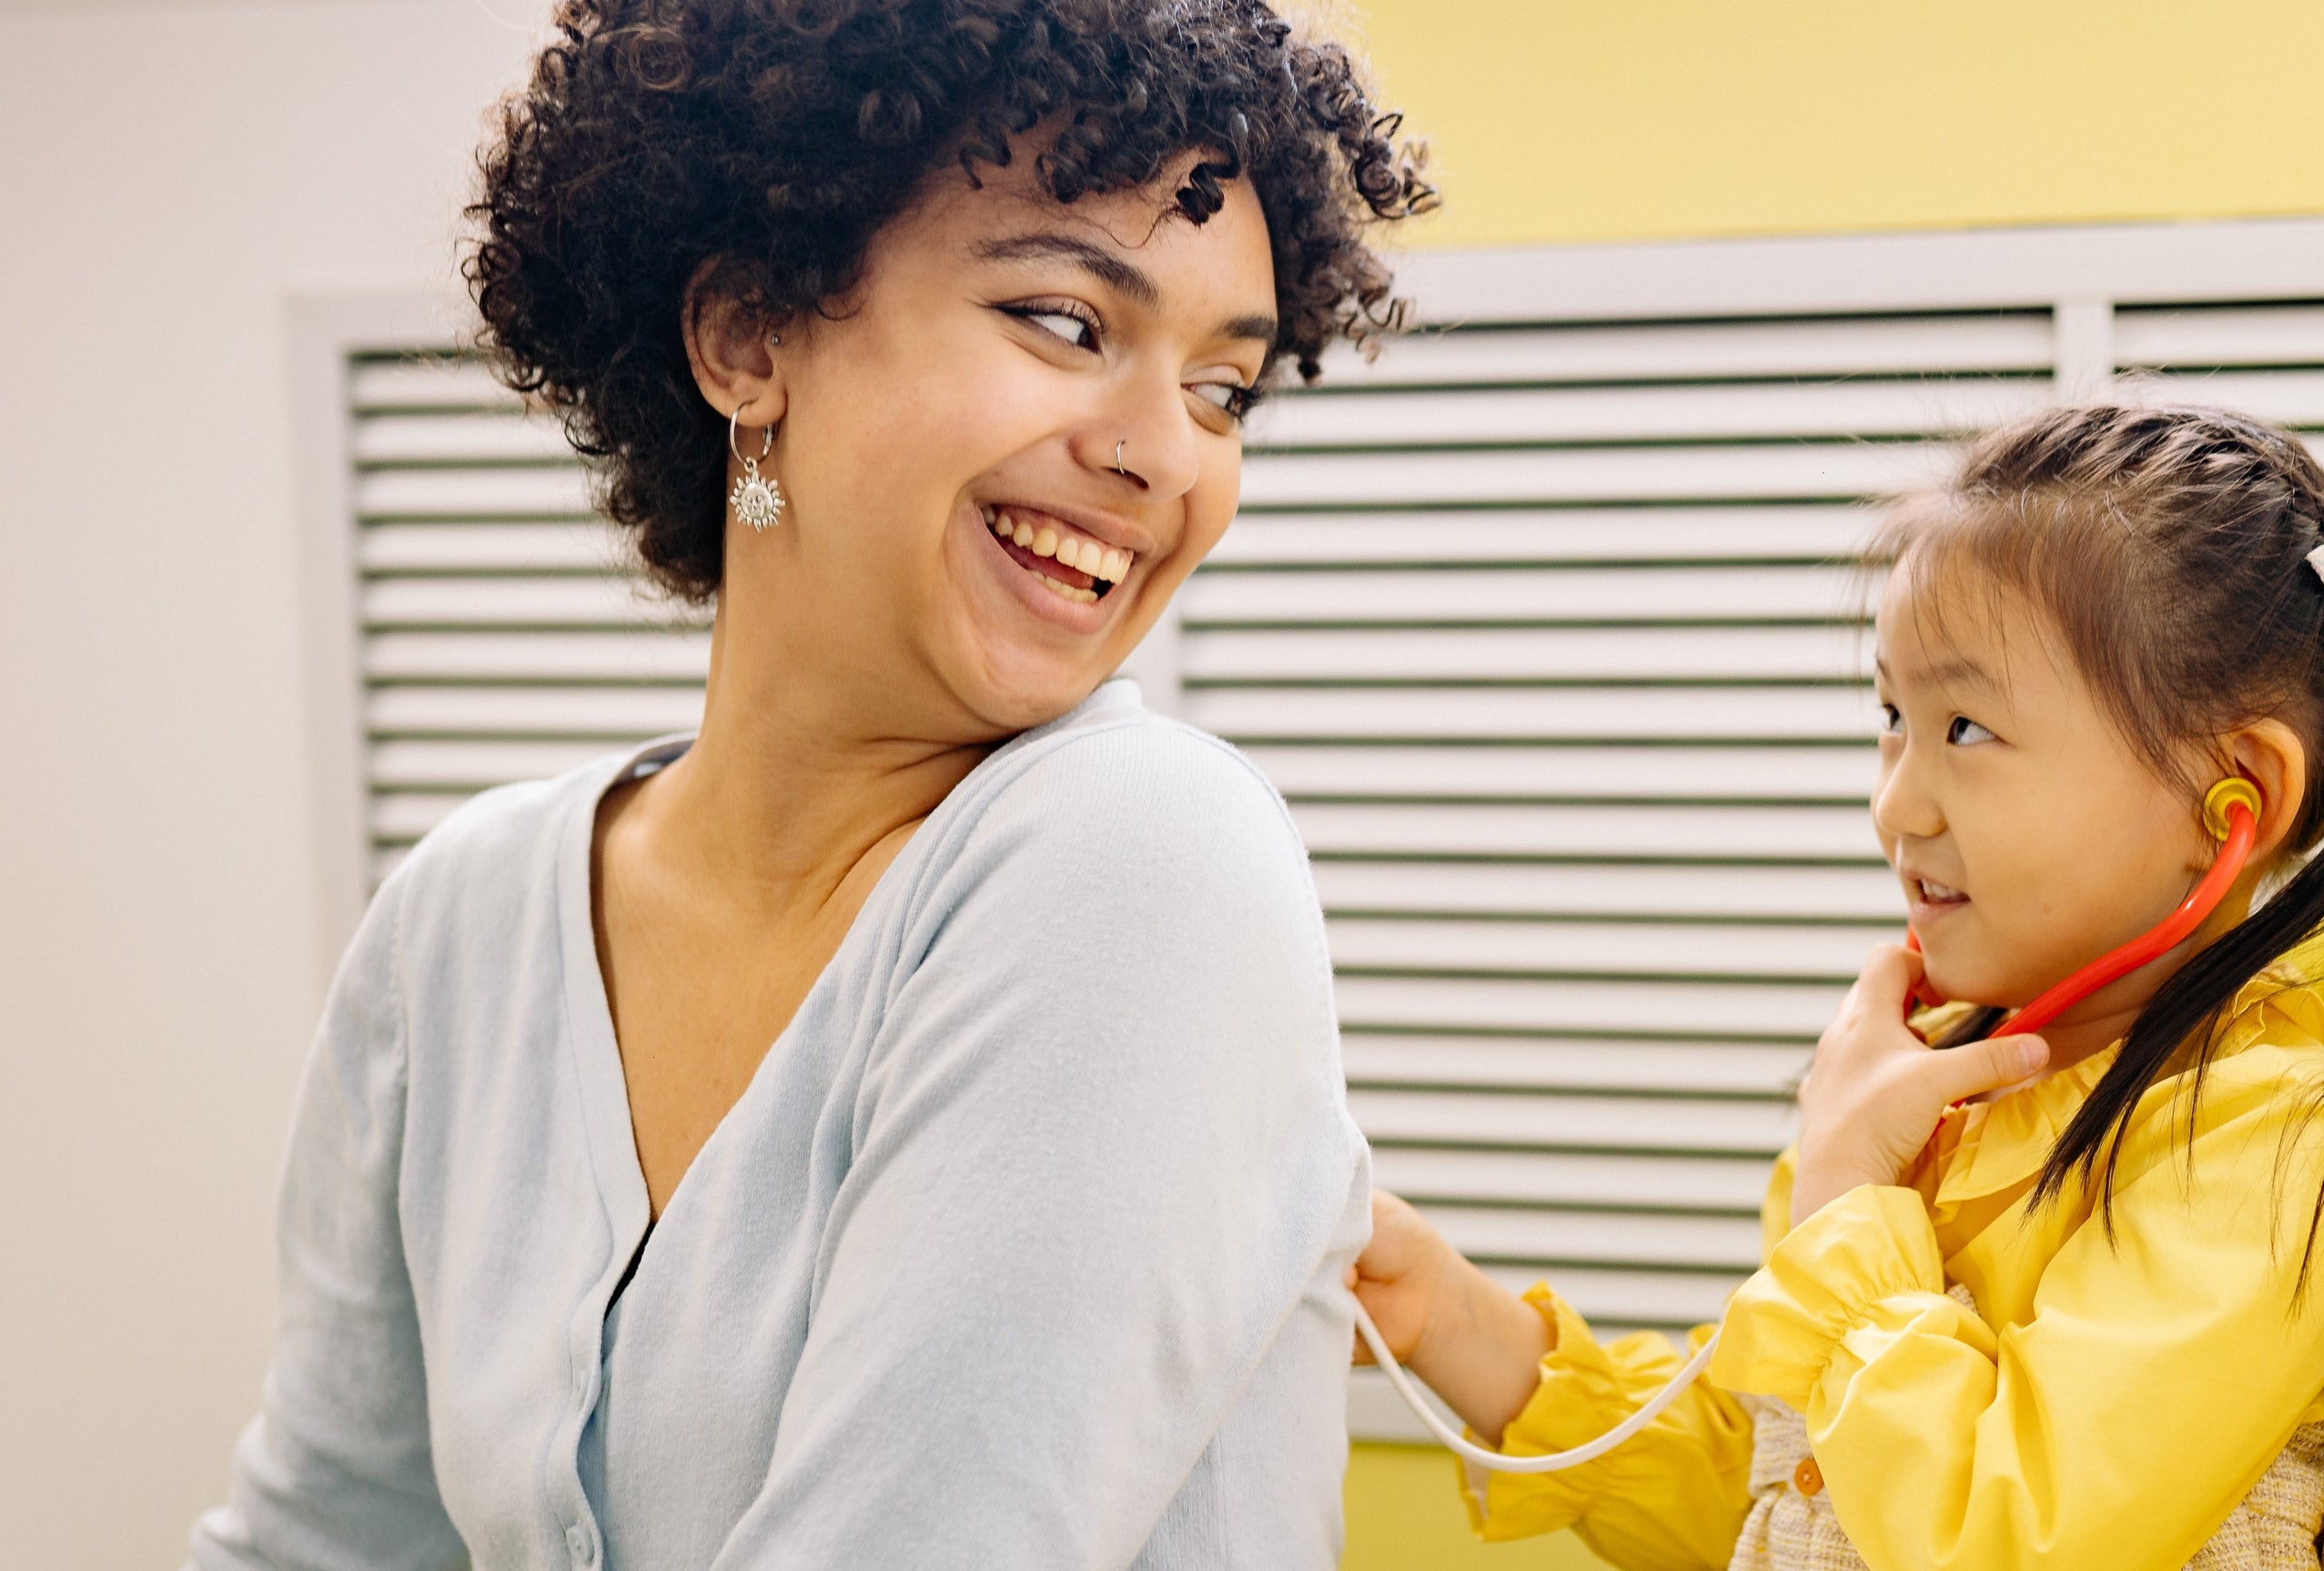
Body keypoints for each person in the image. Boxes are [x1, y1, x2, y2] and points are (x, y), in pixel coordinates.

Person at [188, 4, 1430, 1566]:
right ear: (748, 337)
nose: (1163, 458)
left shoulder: (1144, 862)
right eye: (1064, 320)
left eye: (1222, 390)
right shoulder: (461, 924)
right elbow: (324, 1539)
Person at [1351, 404, 2324, 1569]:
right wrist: (1451, 1317)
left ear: (2231, 796)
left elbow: (2002, 1529)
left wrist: (1848, 1204)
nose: (1895, 802)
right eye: (1894, 719)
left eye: (1967, 727)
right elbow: (1795, 1496)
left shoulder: (2265, 1139)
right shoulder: (1919, 1097)